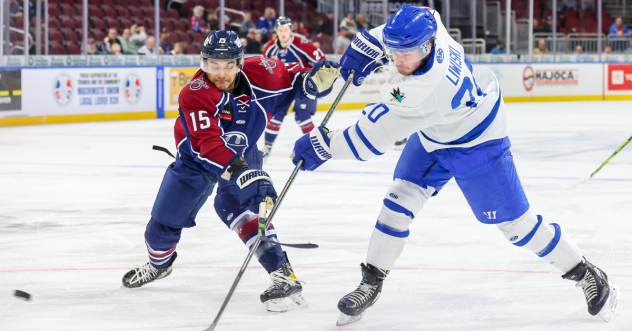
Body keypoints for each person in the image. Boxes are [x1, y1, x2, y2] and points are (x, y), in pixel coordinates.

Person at [291, 5, 620, 326]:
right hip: (438, 130)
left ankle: (586, 273)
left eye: (405, 52)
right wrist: (368, 45)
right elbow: (409, 24)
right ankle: (372, 280)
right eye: (394, 51)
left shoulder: (422, 92)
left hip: (478, 143)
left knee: (517, 226)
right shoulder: (434, 26)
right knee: (399, 198)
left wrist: (321, 145)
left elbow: (369, 140)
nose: (397, 59)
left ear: (427, 45)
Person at [121, 30, 338, 312]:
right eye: (213, 65)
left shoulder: (265, 73)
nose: (220, 73)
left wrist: (312, 83)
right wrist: (242, 173)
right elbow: (207, 144)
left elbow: (296, 77)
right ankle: (159, 266)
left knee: (239, 207)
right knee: (159, 230)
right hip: (195, 159)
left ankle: (282, 273)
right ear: (203, 63)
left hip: (244, 151)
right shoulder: (194, 93)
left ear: (240, 63)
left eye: (228, 65)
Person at [262, 16, 326, 161]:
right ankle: (267, 148)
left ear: (291, 30)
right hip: (282, 87)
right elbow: (265, 69)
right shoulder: (270, 48)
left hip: (303, 86)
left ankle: (315, 148)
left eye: (286, 29)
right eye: (280, 30)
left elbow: (321, 61)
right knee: (275, 115)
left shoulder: (302, 43)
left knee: (302, 116)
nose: (283, 33)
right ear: (276, 31)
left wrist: (316, 81)